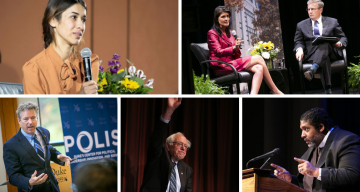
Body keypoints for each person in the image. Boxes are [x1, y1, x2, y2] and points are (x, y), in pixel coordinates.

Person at [271, 108, 360, 192]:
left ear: (321, 127)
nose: (302, 135)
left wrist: (315, 171)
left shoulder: (346, 140)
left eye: (306, 129)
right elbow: (311, 185)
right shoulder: (313, 147)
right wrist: (291, 180)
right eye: (302, 130)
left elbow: (352, 175)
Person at [22, 0, 99, 94]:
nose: (81, 26)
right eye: (73, 17)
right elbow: (41, 108)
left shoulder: (90, 63)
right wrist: (80, 96)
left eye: (83, 19)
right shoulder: (34, 69)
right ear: (53, 20)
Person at [207, 6, 283, 95]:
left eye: (228, 16)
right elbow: (218, 52)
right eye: (223, 16)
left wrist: (237, 48)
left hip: (231, 63)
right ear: (217, 18)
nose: (226, 19)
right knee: (258, 58)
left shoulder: (230, 33)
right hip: (221, 66)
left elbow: (236, 56)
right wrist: (234, 48)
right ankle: (275, 90)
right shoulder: (212, 33)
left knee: (259, 68)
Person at [3, 101, 72, 192]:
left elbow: (48, 149)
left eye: (33, 118)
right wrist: (29, 182)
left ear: (37, 118)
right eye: (26, 119)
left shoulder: (44, 132)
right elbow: (13, 176)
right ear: (19, 121)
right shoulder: (10, 146)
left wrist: (57, 155)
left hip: (53, 187)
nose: (30, 122)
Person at [294, 0, 347, 94]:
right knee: (324, 58)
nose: (310, 11)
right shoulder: (301, 25)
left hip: (331, 53)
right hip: (312, 55)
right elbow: (298, 41)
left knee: (325, 43)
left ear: (320, 10)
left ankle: (313, 69)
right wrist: (299, 49)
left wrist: (340, 43)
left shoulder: (332, 21)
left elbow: (343, 37)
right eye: (308, 9)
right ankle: (328, 90)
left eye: (313, 9)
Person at [140, 98, 193, 192]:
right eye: (179, 144)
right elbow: (156, 139)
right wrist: (169, 111)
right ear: (168, 146)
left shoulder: (186, 169)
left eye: (185, 146)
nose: (183, 148)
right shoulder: (158, 156)